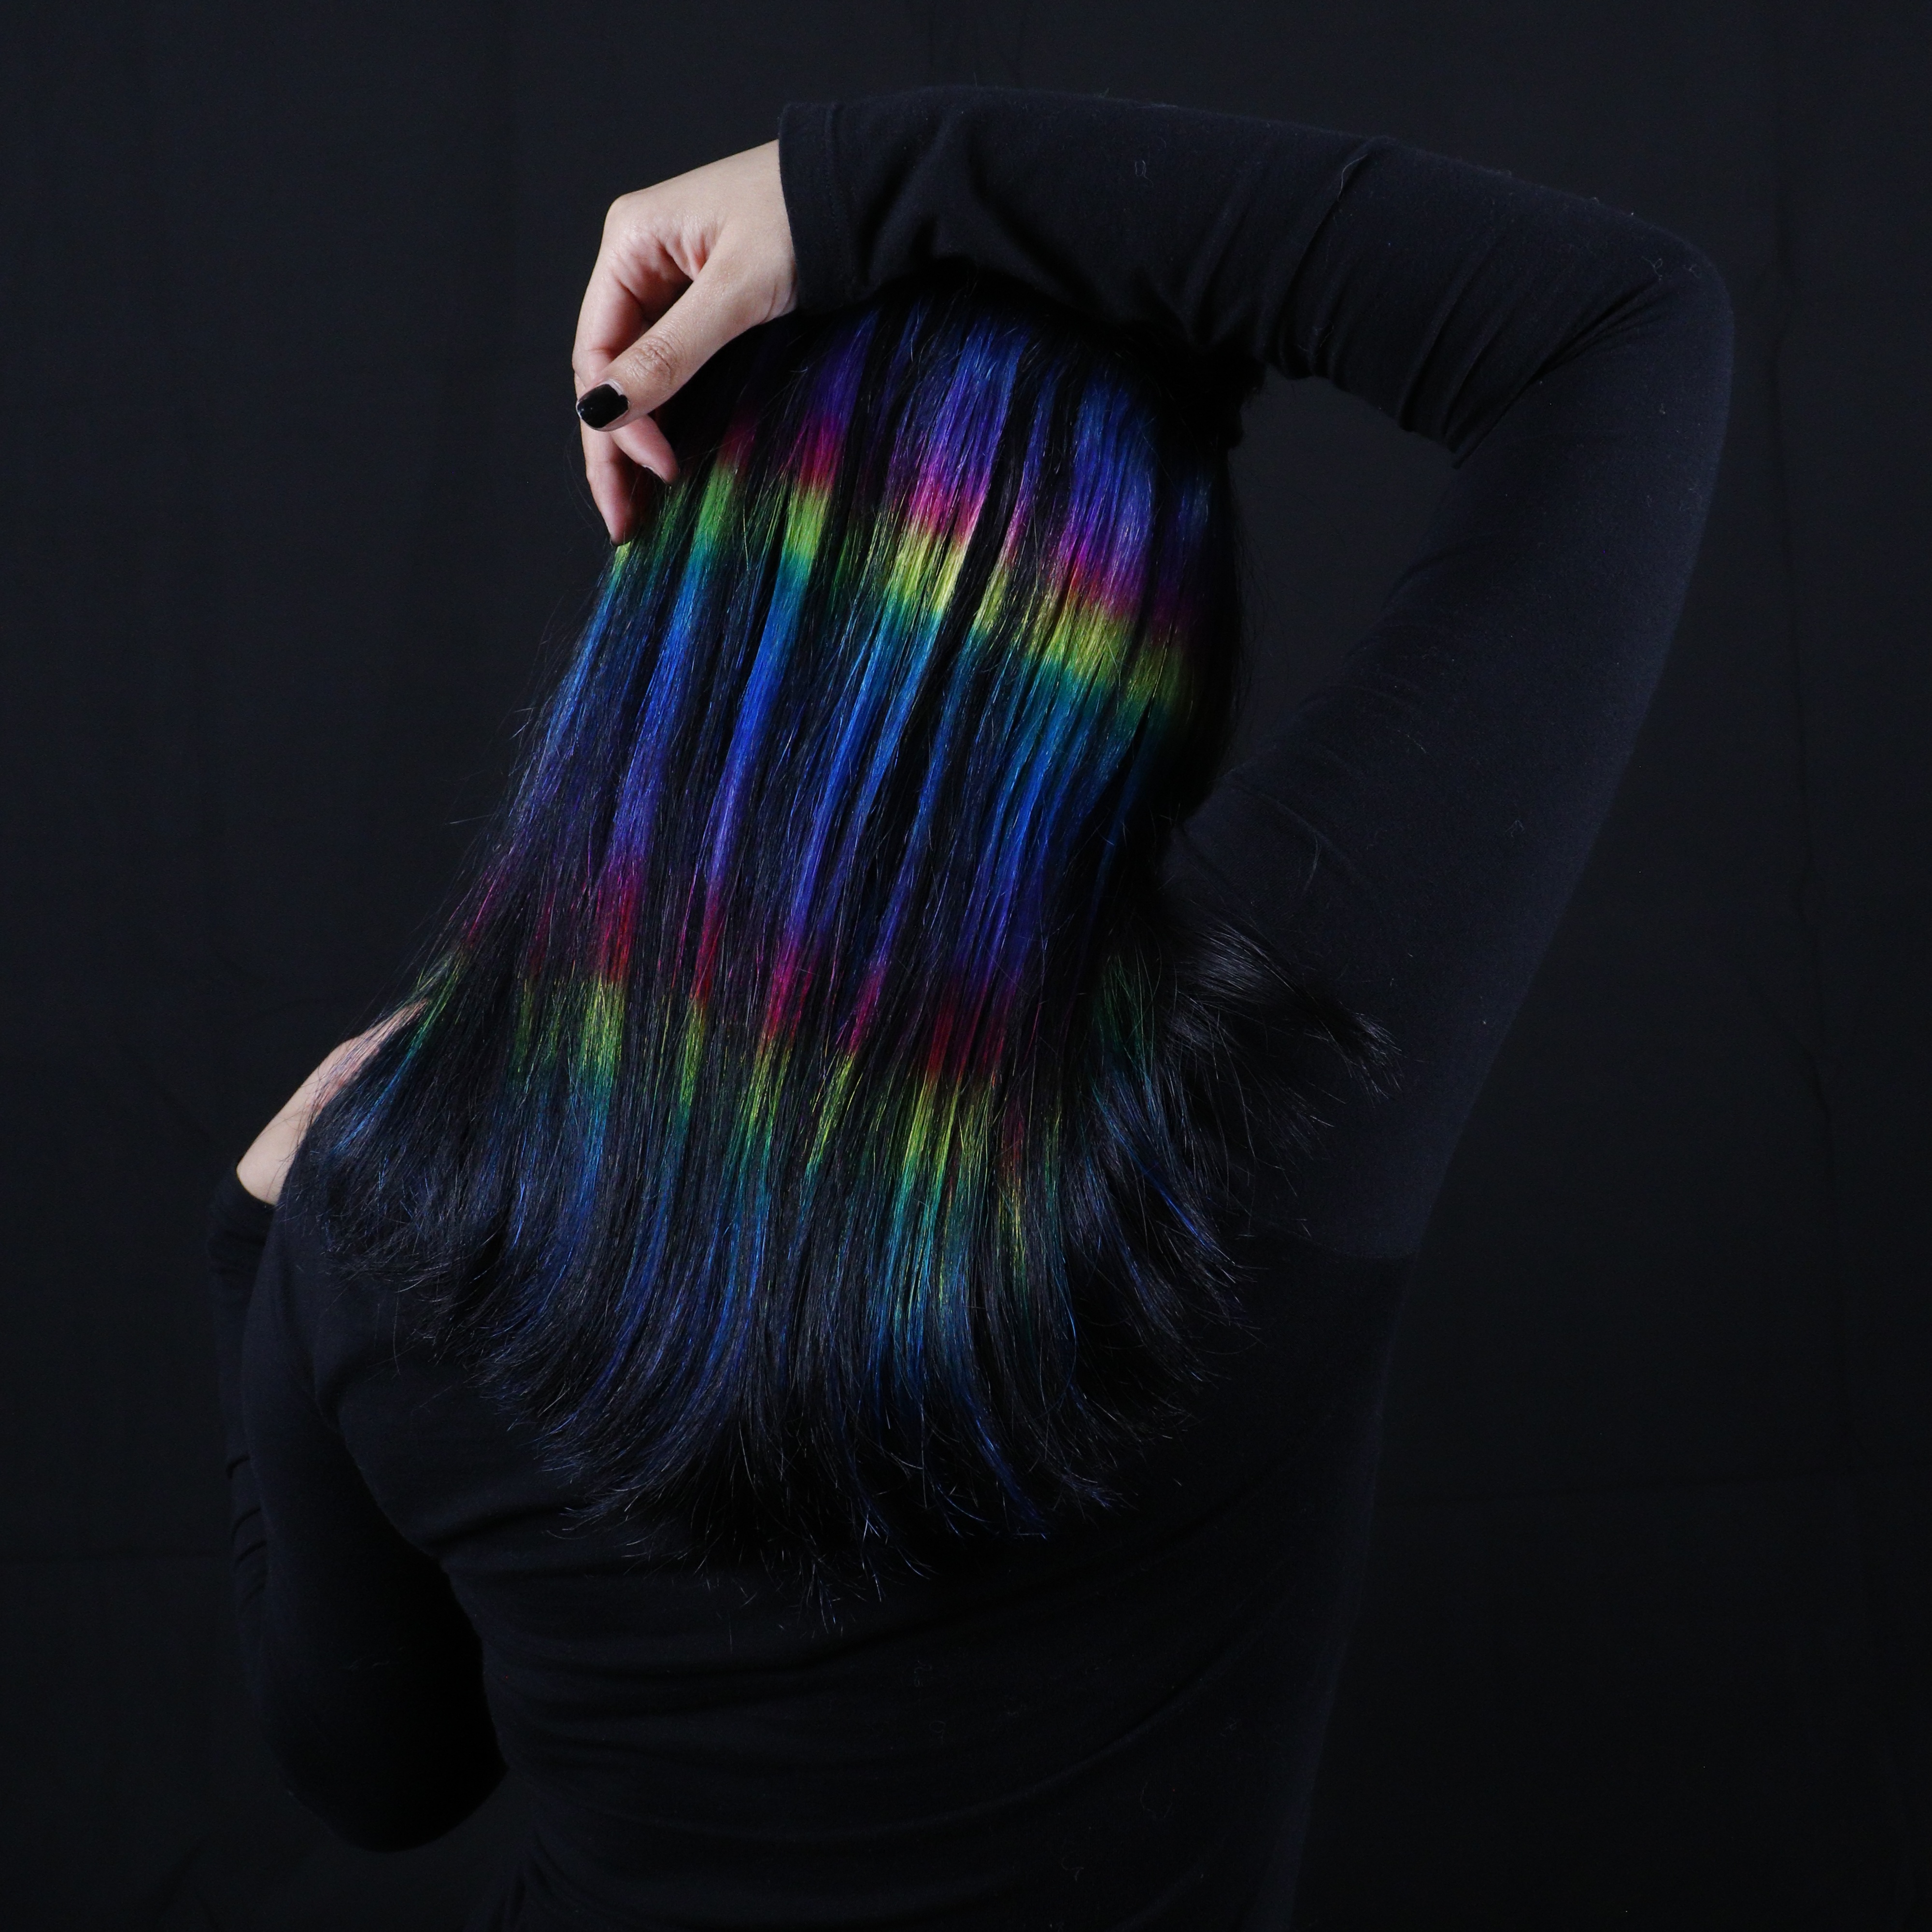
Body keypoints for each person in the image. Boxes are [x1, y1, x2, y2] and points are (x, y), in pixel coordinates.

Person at [209, 87, 1733, 1930]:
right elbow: (1612, 329)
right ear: (1145, 651)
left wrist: (265, 1247)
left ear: (687, 593)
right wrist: (857, 194)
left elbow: (380, 1778)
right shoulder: (1258, 1084)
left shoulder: (393, 1202)